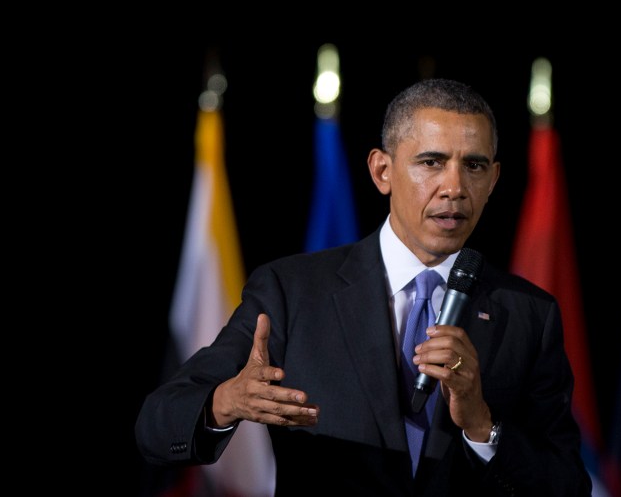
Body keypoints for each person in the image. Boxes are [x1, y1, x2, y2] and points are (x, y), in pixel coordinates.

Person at [135, 78, 592, 496]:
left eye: (473, 166)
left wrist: (481, 424)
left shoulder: (529, 313)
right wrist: (225, 401)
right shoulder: (291, 292)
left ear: (493, 180)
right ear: (382, 172)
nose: (454, 187)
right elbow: (157, 426)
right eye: (431, 162)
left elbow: (567, 484)